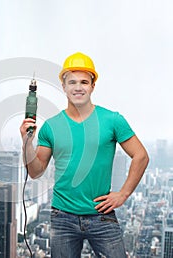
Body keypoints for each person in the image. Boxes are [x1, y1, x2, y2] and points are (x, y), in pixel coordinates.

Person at [20, 52, 149, 258]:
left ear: (92, 86)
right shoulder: (51, 126)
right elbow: (35, 171)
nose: (78, 87)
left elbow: (141, 155)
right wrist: (26, 142)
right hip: (62, 218)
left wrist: (123, 194)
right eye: (72, 82)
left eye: (83, 82)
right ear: (63, 86)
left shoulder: (112, 120)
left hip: (101, 215)